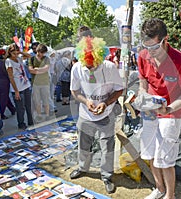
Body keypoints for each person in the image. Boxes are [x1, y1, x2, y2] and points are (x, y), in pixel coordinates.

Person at [138, 19, 181, 199]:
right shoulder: (142, 55)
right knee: (151, 154)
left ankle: (170, 195)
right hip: (150, 112)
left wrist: (168, 109)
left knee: (166, 159)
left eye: (154, 47)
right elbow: (143, 83)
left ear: (165, 39)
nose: (150, 52)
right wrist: (142, 98)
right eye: (147, 47)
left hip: (171, 113)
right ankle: (159, 189)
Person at [69, 26, 123, 194]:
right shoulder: (77, 67)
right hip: (85, 115)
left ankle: (106, 176)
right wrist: (86, 101)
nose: (90, 68)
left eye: (94, 65)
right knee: (83, 143)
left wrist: (105, 104)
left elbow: (119, 89)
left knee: (107, 145)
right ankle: (83, 167)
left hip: (106, 114)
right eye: (87, 65)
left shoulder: (109, 67)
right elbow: (74, 91)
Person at [5, 43, 33, 130]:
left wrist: (20, 52)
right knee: (20, 108)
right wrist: (16, 91)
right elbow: (11, 77)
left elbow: (29, 56)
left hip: (25, 85)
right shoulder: (8, 61)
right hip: (17, 88)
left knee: (29, 105)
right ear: (9, 52)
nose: (15, 53)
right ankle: (21, 123)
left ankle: (31, 121)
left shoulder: (19, 58)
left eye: (16, 50)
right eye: (13, 51)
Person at [28, 43, 51, 122]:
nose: (39, 54)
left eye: (41, 52)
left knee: (46, 100)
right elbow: (31, 70)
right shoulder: (31, 59)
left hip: (45, 82)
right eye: (38, 52)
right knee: (37, 101)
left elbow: (46, 68)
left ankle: (47, 115)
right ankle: (39, 115)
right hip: (35, 83)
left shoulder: (46, 59)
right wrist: (40, 70)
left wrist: (37, 70)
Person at [0, 49, 16, 119]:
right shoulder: (5, 62)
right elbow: (7, 72)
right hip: (4, 81)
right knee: (3, 98)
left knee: (5, 97)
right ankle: (1, 113)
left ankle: (12, 109)